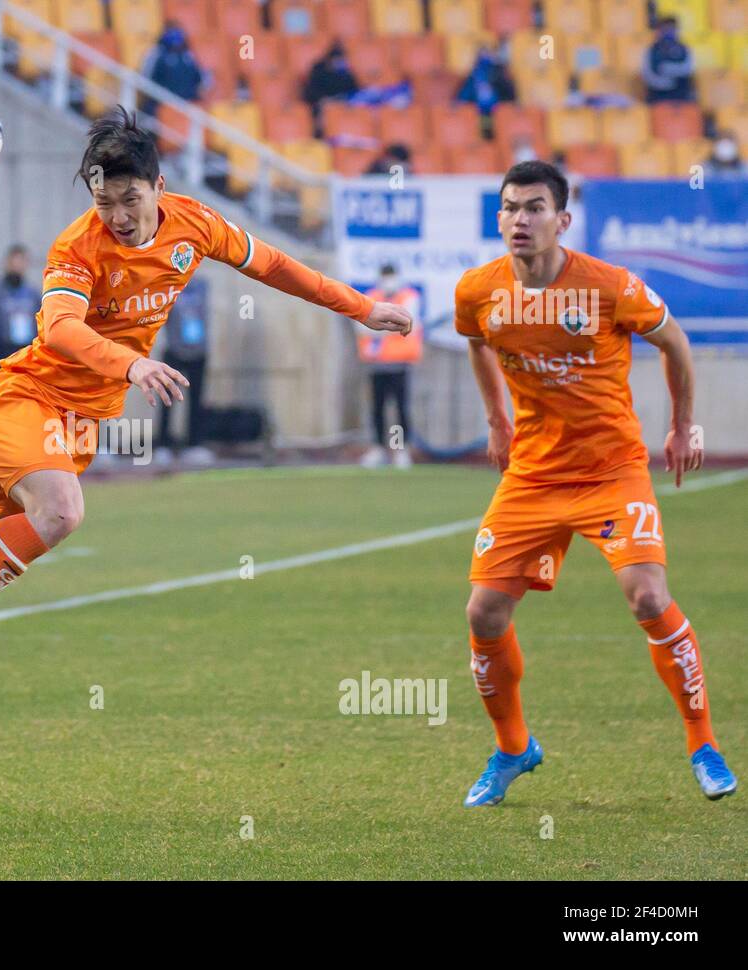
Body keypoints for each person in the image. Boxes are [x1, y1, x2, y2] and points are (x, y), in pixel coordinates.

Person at [0, 107, 412, 708]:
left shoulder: (196, 224)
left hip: (80, 421)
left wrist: (359, 307)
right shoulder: (79, 246)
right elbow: (59, 329)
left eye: (131, 199)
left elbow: (275, 266)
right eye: (106, 203)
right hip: (27, 400)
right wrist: (133, 364)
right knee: (59, 513)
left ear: (160, 187)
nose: (119, 217)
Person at [453, 160, 736, 806]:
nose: (519, 220)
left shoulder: (610, 287)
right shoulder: (478, 290)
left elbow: (676, 342)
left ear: (562, 220)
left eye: (533, 208)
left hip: (611, 470)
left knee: (646, 595)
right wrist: (498, 420)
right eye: (509, 208)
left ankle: (703, 744)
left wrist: (684, 425)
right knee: (483, 611)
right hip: (534, 474)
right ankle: (513, 749)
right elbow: (476, 341)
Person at [358, 264, 421, 469]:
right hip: (376, 364)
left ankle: (401, 450)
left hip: (400, 362)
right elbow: (360, 325)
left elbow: (408, 323)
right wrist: (386, 326)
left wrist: (376, 326)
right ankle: (378, 449)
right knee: (377, 408)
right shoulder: (372, 297)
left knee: (400, 408)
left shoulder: (408, 297)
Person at [157, 274, 211, 462]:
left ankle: (194, 443)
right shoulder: (168, 286)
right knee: (166, 400)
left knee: (196, 400)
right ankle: (163, 444)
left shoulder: (202, 286)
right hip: (174, 350)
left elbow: (203, 316)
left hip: (198, 350)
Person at [0, 244, 41, 367]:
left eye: (21, 262)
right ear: (7, 263)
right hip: (2, 353)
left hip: (27, 352)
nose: (17, 266)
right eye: (14, 262)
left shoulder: (33, 294)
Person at [140, 23, 204, 119]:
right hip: (161, 104)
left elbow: (199, 79)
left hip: (187, 103)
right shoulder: (156, 53)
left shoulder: (188, 55)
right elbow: (145, 80)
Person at [301, 41, 358, 122]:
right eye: (337, 60)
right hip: (319, 103)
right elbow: (311, 90)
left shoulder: (347, 73)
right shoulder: (318, 70)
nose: (339, 63)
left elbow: (352, 89)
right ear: (330, 60)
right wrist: (323, 100)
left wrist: (339, 99)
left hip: (341, 103)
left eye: (341, 60)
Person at [643, 17, 695, 104]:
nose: (668, 32)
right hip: (658, 94)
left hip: (681, 93)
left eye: (671, 29)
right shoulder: (651, 50)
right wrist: (668, 82)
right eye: (665, 29)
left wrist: (665, 68)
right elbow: (648, 75)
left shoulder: (684, 49)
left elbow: (688, 69)